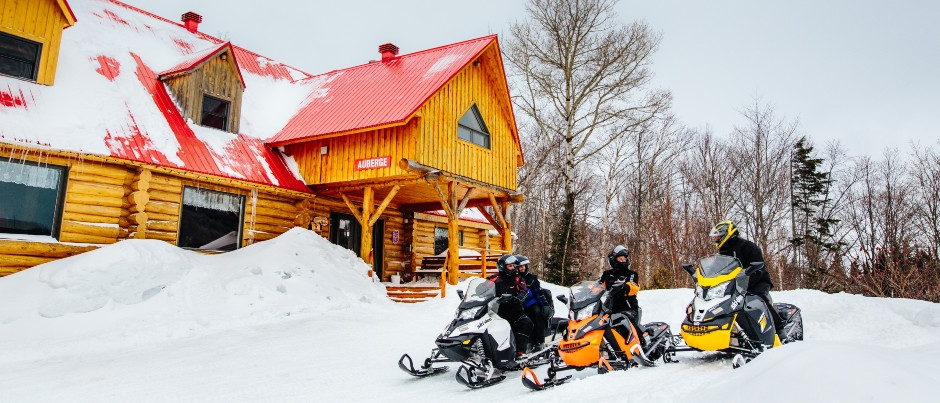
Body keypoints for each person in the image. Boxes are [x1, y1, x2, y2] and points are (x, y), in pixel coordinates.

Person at [709, 220, 785, 338]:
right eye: (716, 236)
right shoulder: (723, 252)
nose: (717, 239)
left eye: (718, 236)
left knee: (758, 298)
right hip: (735, 286)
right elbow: (715, 270)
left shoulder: (748, 247)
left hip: (757, 282)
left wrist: (745, 282)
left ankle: (779, 328)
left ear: (726, 234)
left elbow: (758, 267)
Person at [598, 245, 644, 351]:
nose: (623, 260)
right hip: (609, 308)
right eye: (620, 258)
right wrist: (587, 291)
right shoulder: (607, 274)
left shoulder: (631, 274)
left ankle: (640, 346)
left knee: (624, 323)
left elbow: (634, 286)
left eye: (624, 258)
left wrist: (626, 287)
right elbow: (597, 286)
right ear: (614, 259)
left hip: (627, 307)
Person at [489, 254, 534, 359]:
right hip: (497, 312)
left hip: (514, 311)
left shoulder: (518, 279)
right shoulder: (495, 279)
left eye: (513, 266)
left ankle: (520, 351)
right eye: (510, 266)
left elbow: (524, 291)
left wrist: (517, 298)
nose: (513, 268)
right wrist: (477, 292)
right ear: (502, 266)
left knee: (526, 323)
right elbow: (482, 287)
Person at [515, 254, 547, 352]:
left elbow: (538, 292)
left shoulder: (531, 278)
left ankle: (539, 341)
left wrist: (544, 305)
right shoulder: (514, 279)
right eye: (520, 267)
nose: (522, 268)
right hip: (517, 304)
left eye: (524, 266)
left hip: (531, 303)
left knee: (537, 313)